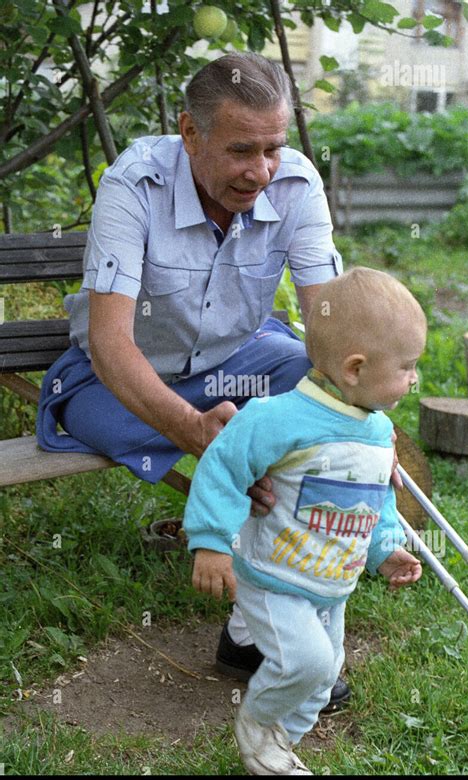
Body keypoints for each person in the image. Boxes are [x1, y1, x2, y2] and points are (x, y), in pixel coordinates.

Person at [36, 51, 396, 708]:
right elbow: (112, 346)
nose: (260, 171)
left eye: (273, 148)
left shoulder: (295, 183)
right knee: (157, 419)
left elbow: (328, 324)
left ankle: (251, 625)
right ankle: (259, 599)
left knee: (304, 392)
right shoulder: (132, 185)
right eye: (240, 151)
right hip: (112, 380)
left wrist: (359, 427)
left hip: (241, 362)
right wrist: (194, 428)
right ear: (190, 132)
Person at [183, 267, 425, 775]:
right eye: (407, 366)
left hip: (330, 586)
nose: (414, 378)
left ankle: (274, 750)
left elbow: (375, 496)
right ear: (355, 369)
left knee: (323, 675)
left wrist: (384, 547)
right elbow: (224, 466)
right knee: (306, 664)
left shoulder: (379, 431)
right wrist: (211, 541)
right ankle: (255, 725)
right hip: (274, 577)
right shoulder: (278, 418)